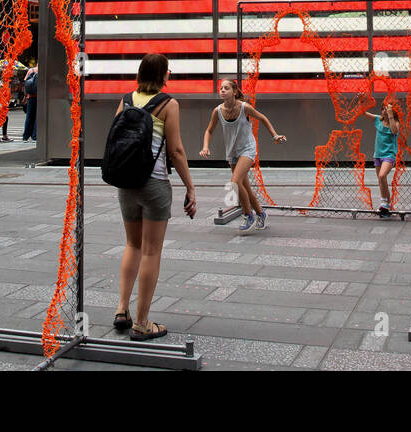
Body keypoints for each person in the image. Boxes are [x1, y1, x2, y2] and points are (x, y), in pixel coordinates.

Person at [113, 54, 196, 341]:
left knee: (132, 244)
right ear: (163, 75)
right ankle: (142, 322)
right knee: (151, 251)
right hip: (155, 183)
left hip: (126, 183)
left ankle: (122, 310)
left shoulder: (125, 100)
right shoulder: (168, 104)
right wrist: (190, 187)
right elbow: (176, 151)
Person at [199, 79, 284, 235]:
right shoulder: (217, 111)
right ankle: (261, 214)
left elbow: (263, 118)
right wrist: (205, 147)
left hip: (247, 149)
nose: (222, 90)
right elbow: (209, 130)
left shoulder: (245, 107)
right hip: (232, 152)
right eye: (221, 88)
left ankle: (247, 215)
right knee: (245, 187)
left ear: (235, 91)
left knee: (235, 182)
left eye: (226, 88)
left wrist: (275, 135)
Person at [364, 100, 401, 217]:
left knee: (382, 175)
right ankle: (386, 205)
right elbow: (363, 113)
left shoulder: (395, 122)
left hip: (389, 155)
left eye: (387, 108)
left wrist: (390, 114)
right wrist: (361, 101)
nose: (384, 110)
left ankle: (385, 203)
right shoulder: (378, 120)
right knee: (381, 181)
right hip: (378, 155)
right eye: (383, 108)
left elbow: (394, 131)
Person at [21, 64, 38, 141]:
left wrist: (25, 97)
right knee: (37, 117)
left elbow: (25, 84)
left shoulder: (31, 70)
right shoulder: (44, 71)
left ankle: (25, 136)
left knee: (29, 117)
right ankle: (34, 136)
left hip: (30, 97)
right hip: (40, 97)